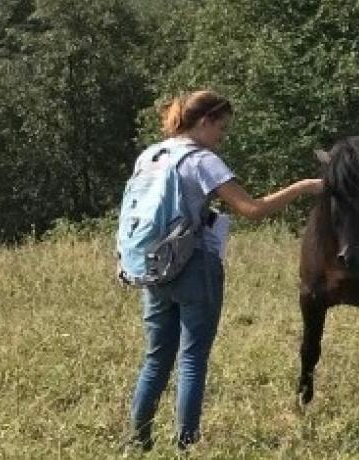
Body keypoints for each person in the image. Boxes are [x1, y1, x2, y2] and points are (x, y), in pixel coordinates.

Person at [127, 90, 325, 451]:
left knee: (156, 357)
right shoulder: (203, 160)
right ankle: (186, 445)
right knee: (191, 359)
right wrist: (303, 187)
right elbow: (252, 209)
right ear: (205, 121)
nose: (223, 136)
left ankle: (137, 441)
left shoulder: (151, 155)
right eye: (222, 127)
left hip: (153, 264)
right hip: (194, 265)